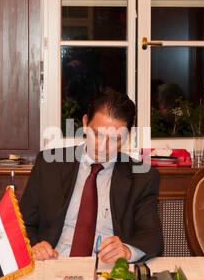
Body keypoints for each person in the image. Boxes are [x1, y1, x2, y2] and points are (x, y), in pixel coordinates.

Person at [20, 89, 162, 263]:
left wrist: (126, 251)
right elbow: (23, 224)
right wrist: (35, 245)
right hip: (53, 262)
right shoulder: (49, 165)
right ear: (85, 124)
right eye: (97, 134)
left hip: (106, 269)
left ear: (127, 137)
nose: (102, 147)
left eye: (114, 139)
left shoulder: (142, 178)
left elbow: (152, 237)